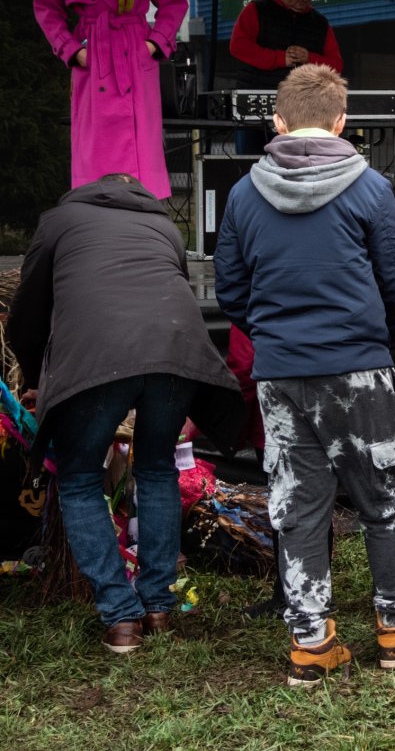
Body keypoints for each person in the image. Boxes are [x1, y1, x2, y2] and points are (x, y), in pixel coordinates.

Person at [213, 64, 395, 686]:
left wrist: (275, 334)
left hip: (280, 374)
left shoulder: (245, 193)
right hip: (359, 366)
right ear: (341, 122)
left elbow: (230, 288)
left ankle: (311, 642)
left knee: (298, 506)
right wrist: (380, 339)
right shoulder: (370, 187)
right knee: (383, 498)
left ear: (277, 122)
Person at [8, 174, 241, 653]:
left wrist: (35, 379)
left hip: (96, 359)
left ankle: (120, 617)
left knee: (78, 479)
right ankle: (157, 606)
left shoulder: (59, 220)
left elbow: (28, 312)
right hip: (175, 352)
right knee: (157, 469)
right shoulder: (164, 226)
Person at [33, 0, 188, 199]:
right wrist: (72, 50)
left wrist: (153, 44)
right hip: (93, 54)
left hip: (134, 54)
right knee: (95, 143)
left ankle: (141, 208)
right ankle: (94, 206)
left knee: (140, 141)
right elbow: (46, 7)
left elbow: (174, 3)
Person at [228, 0, 343, 154]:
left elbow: (336, 64)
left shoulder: (320, 23)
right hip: (254, 109)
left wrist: (309, 58)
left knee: (296, 165)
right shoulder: (256, 10)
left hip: (303, 112)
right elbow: (238, 47)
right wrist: (279, 59)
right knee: (250, 162)